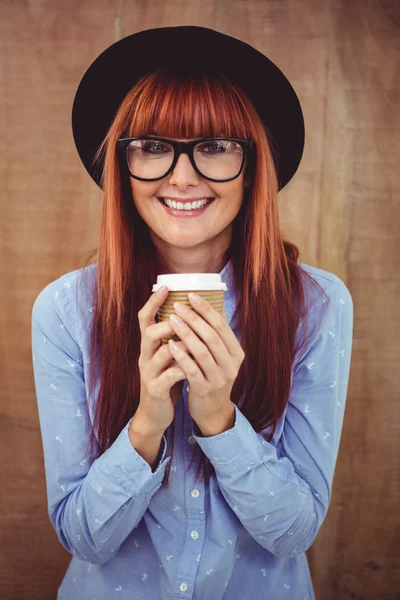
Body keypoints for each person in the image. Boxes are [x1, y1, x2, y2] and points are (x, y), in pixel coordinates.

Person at [31, 26, 354, 600]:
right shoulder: (65, 310)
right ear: (123, 167)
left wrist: (218, 420)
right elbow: (82, 538)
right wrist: (147, 423)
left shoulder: (316, 306)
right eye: (154, 147)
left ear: (253, 164)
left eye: (214, 146)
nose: (183, 176)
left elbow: (295, 532)